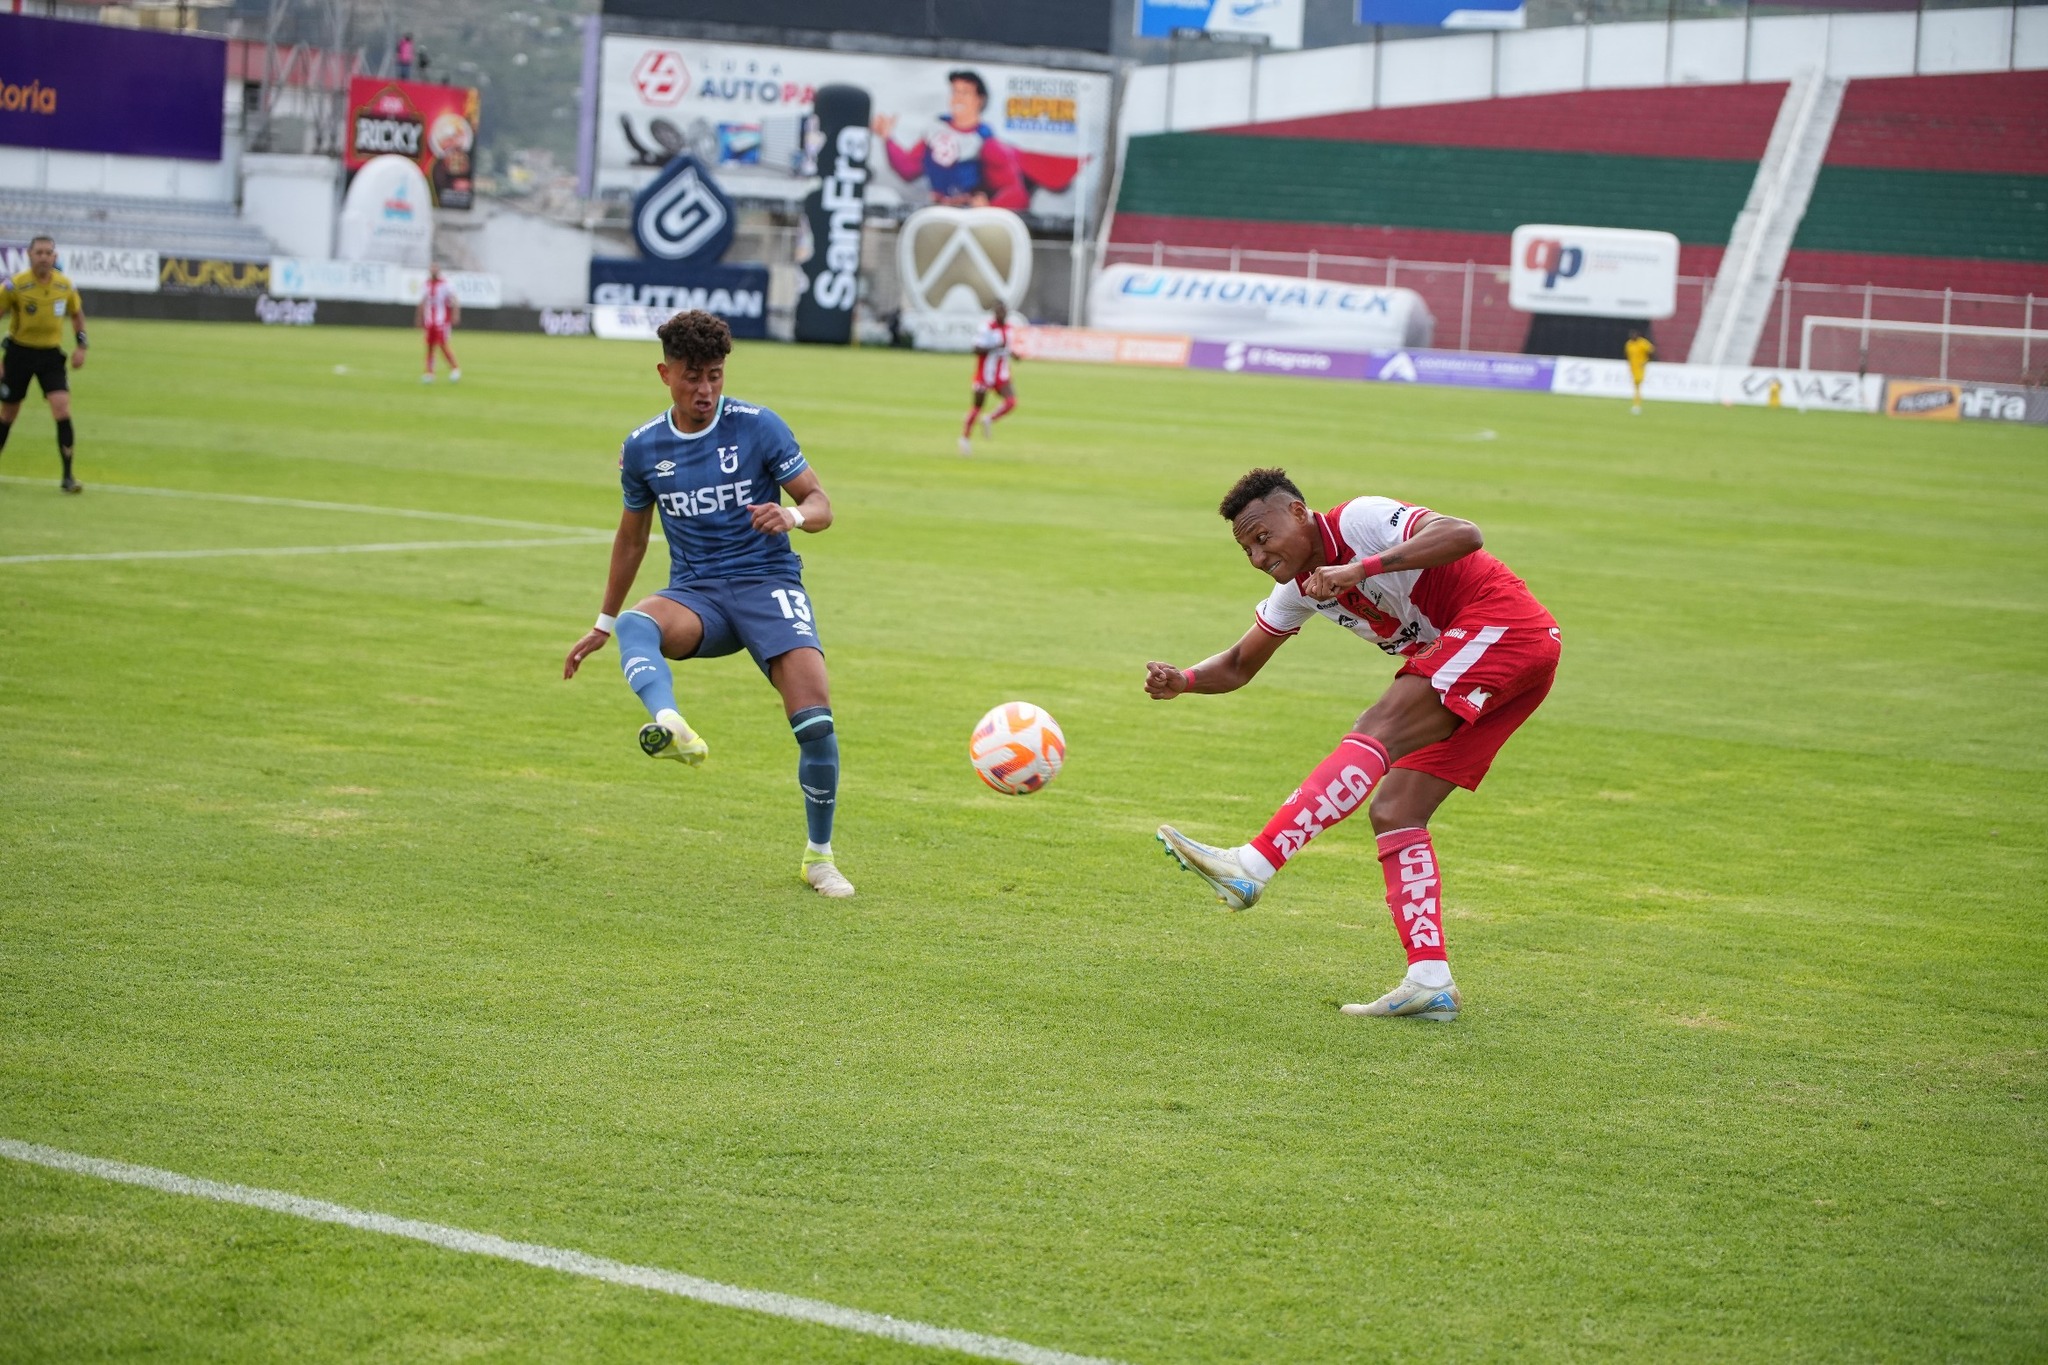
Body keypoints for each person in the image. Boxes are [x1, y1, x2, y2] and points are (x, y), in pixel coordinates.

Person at [1145, 468, 1560, 1022]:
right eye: (1245, 549)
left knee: (1379, 724)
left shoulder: (1360, 520)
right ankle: (1429, 980)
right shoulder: (1296, 590)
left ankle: (1254, 864)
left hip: (1504, 626)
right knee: (1396, 811)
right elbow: (1241, 664)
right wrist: (1186, 681)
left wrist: (1358, 569)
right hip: (1496, 658)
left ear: (1298, 513)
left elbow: (1464, 533)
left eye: (1262, 537)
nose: (1258, 556)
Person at [562, 310, 854, 899]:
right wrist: (602, 621)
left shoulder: (758, 426)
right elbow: (632, 537)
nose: (705, 390)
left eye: (715, 376)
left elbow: (821, 503)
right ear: (665, 373)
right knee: (637, 623)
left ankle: (819, 859)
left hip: (767, 585)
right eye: (693, 377)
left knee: (816, 723)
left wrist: (791, 514)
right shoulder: (644, 448)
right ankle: (670, 725)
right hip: (698, 595)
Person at [0, 235, 88, 494]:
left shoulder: (65, 286)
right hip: (19, 354)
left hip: (50, 356)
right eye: (39, 252)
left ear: (55, 257)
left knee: (62, 410)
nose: (44, 257)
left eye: (48, 252)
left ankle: (68, 476)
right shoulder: (15, 286)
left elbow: (77, 315)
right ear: (29, 255)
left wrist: (82, 346)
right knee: (7, 414)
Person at [874, 70, 1026, 211]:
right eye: (955, 92)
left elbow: (1016, 193)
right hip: (937, 212)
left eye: (965, 93)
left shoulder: (986, 143)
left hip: (970, 217)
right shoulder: (936, 131)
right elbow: (908, 169)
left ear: (979, 100)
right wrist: (888, 138)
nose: (957, 98)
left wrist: (990, 207)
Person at [959, 300, 1019, 456]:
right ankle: (964, 438)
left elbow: (1007, 349)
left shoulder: (1009, 329)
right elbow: (975, 349)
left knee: (1011, 402)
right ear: (994, 313)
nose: (1002, 314)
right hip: (985, 374)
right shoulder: (986, 328)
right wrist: (993, 348)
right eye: (999, 311)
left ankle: (989, 419)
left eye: (1004, 311)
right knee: (977, 407)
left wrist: (1014, 354)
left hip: (1001, 374)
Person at [417, 265, 460, 384]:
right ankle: (429, 373)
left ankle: (454, 369)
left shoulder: (446, 284)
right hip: (429, 321)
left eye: (435, 269)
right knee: (430, 346)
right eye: (431, 269)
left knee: (442, 345)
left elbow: (454, 299)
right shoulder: (426, 284)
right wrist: (419, 317)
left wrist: (455, 314)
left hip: (442, 321)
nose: (433, 271)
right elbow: (422, 301)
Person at [1626, 330, 1655, 415]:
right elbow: (1628, 355)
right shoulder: (1629, 344)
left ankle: (1637, 406)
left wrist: (1646, 361)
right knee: (1636, 386)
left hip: (1640, 368)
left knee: (1637, 385)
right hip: (1632, 368)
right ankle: (1636, 405)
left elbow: (1651, 351)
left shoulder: (1642, 343)